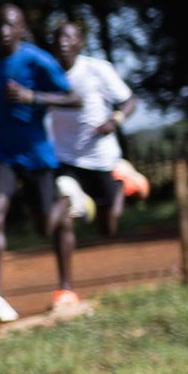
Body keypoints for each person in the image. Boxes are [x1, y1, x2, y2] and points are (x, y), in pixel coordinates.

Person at [0, 3, 83, 322]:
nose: (4, 32)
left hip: (36, 155)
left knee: (45, 226)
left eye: (10, 26)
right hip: (1, 153)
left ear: (21, 29)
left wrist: (32, 97)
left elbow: (74, 99)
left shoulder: (39, 61)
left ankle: (68, 200)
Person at [50, 18, 137, 236]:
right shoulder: (47, 74)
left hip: (100, 157)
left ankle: (120, 185)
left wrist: (114, 121)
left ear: (81, 44)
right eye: (59, 37)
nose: (63, 42)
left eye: (70, 37)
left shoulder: (97, 69)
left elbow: (130, 101)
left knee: (106, 229)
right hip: (66, 157)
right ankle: (77, 205)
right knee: (64, 196)